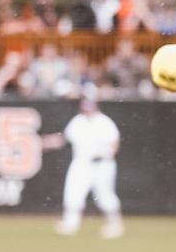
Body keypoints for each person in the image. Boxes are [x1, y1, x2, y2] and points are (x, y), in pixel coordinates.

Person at [40, 93, 123, 238]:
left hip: (102, 164)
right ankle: (70, 224)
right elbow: (64, 139)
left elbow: (114, 143)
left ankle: (114, 224)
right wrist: (46, 142)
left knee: (105, 197)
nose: (88, 108)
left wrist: (107, 154)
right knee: (73, 193)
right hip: (82, 162)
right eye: (86, 105)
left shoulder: (104, 122)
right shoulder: (78, 121)